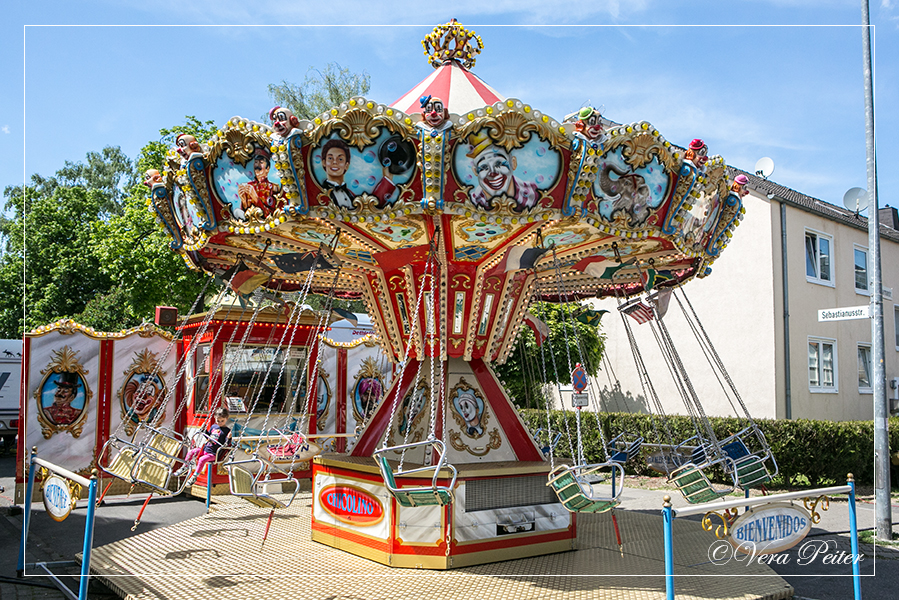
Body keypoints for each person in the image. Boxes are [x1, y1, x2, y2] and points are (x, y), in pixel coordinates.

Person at [466, 131, 538, 212]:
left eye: (499, 163)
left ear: (513, 163)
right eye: (484, 167)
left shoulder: (534, 193)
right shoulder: (471, 201)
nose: (493, 173)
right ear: (475, 171)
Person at [178, 407, 232, 486]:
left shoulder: (227, 431)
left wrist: (228, 438)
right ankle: (185, 467)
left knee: (202, 459)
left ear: (226, 419)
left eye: (222, 421)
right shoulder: (214, 427)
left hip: (213, 454)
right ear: (215, 418)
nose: (220, 422)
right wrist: (204, 430)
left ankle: (195, 476)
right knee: (191, 452)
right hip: (205, 449)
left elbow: (226, 444)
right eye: (218, 420)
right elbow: (208, 436)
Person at [237, 149, 284, 218]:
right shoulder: (249, 186)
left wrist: (255, 198)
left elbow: (271, 215)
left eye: (261, 162)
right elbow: (245, 216)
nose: (257, 165)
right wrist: (244, 201)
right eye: (256, 162)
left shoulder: (274, 187)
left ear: (267, 169)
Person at [320, 138, 354, 209]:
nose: (335, 162)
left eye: (340, 159)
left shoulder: (351, 194)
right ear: (324, 163)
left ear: (346, 165)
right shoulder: (319, 192)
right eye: (330, 158)